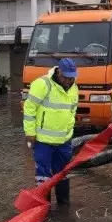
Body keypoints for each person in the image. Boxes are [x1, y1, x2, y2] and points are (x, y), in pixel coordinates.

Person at [23, 57, 79, 205]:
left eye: (71, 78)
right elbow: (29, 109)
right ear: (58, 71)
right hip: (43, 140)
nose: (68, 81)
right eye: (65, 78)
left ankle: (63, 204)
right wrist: (30, 132)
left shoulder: (74, 87)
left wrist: (69, 131)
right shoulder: (42, 84)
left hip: (64, 140)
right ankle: (42, 206)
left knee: (62, 173)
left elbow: (72, 110)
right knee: (43, 174)